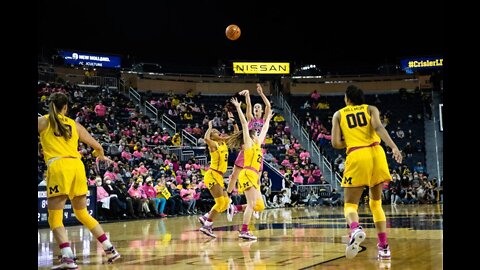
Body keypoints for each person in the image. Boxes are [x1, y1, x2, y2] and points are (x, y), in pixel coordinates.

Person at [38, 92, 121, 269]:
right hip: (77, 166)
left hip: (59, 167)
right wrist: (100, 155)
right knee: (82, 213)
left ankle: (68, 257)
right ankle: (110, 249)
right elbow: (97, 147)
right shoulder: (74, 124)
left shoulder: (43, 121)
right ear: (65, 108)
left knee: (55, 218)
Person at [331, 86, 402, 261]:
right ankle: (384, 247)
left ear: (347, 99)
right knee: (376, 204)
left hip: (357, 155)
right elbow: (378, 127)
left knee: (350, 205)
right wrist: (394, 147)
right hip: (377, 153)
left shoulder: (339, 114)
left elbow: (335, 143)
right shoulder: (371, 109)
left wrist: (353, 138)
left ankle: (355, 228)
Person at [226, 97, 273, 240]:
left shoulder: (258, 145)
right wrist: (239, 108)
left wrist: (269, 117)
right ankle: (244, 230)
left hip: (253, 175)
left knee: (260, 205)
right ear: (252, 137)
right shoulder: (248, 144)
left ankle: (236, 208)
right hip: (247, 173)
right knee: (252, 204)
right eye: (256, 135)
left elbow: (264, 128)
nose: (259, 135)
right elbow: (245, 125)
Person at [197, 120, 231, 238]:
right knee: (220, 202)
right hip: (212, 174)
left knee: (227, 203)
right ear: (213, 137)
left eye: (218, 131)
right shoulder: (214, 145)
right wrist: (209, 127)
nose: (218, 133)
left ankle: (206, 216)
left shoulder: (223, 143)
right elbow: (206, 139)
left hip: (220, 176)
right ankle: (206, 226)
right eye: (215, 132)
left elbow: (235, 136)